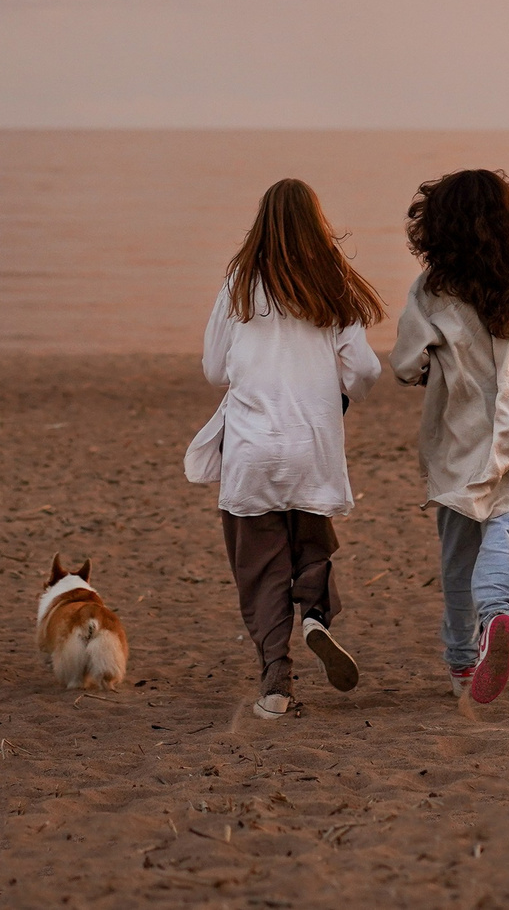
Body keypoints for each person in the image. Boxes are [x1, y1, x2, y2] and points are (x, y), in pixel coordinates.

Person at [186, 178, 385, 719]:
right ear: (317, 223)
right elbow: (365, 368)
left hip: (252, 449)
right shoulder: (333, 283)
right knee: (313, 540)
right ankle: (317, 615)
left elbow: (211, 369)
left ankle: (276, 685)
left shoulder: (239, 283)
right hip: (312, 445)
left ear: (261, 223)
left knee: (261, 569)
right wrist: (341, 397)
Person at [391, 168, 509, 706]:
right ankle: (501, 612)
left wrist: (437, 365)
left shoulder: (433, 291)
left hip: (466, 435)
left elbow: (407, 364)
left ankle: (461, 660)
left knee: (458, 548)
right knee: (504, 527)